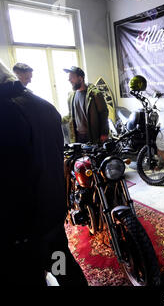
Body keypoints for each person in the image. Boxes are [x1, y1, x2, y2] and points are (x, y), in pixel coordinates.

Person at [0, 60, 88, 286]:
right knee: (61, 263)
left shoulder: (6, 114)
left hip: (20, 231)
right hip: (52, 215)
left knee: (31, 275)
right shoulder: (45, 106)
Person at [63, 66, 109, 144]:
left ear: (81, 78)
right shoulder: (71, 96)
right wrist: (57, 120)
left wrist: (104, 133)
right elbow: (70, 115)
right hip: (78, 136)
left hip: (93, 135)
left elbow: (103, 114)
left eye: (72, 77)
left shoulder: (95, 94)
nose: (69, 80)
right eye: (69, 78)